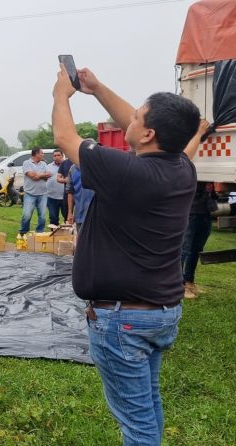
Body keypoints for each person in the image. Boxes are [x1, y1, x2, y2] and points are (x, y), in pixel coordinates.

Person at [52, 64, 200, 446]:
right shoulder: (182, 167)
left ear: (149, 134)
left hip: (124, 320)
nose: (129, 118)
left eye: (136, 117)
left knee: (136, 424)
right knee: (146, 406)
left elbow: (65, 137)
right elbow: (149, 127)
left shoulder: (126, 172)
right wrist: (97, 88)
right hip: (159, 312)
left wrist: (60, 94)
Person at [181, 119, 214, 299]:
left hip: (204, 210)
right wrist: (199, 132)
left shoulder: (207, 159)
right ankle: (179, 286)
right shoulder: (185, 154)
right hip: (191, 210)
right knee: (184, 249)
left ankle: (189, 281)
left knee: (196, 249)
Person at [19, 148, 51, 234]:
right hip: (30, 193)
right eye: (41, 153)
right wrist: (42, 175)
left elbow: (48, 175)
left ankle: (39, 233)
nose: (43, 155)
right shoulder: (26, 163)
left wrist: (38, 175)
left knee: (43, 216)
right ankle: (23, 232)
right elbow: (31, 175)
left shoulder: (43, 163)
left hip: (43, 194)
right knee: (27, 215)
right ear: (36, 154)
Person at [65, 164, 95, 235]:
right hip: (80, 213)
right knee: (82, 240)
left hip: (97, 214)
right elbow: (70, 192)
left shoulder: (97, 165)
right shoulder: (73, 169)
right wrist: (70, 213)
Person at [45, 149, 67, 225]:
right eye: (55, 156)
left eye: (58, 155)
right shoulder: (48, 167)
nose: (56, 157)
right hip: (52, 197)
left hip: (65, 197)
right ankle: (54, 235)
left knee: (67, 218)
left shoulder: (68, 165)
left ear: (62, 156)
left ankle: (68, 235)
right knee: (53, 218)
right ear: (52, 157)